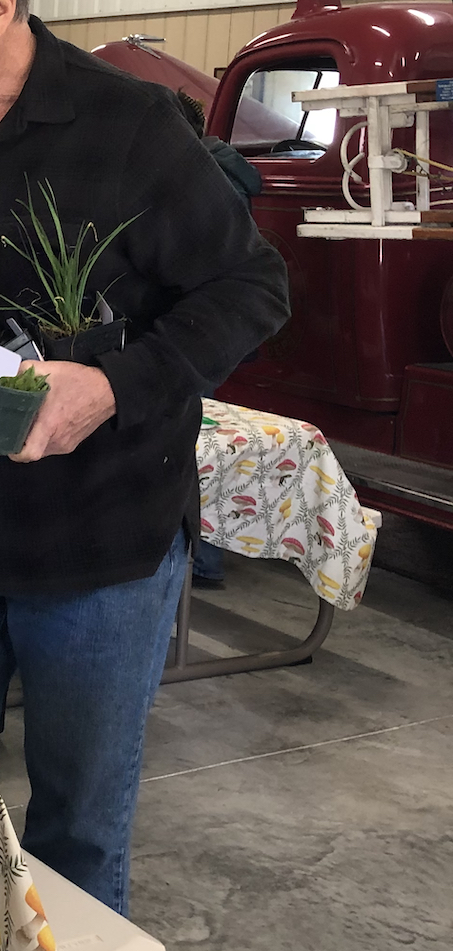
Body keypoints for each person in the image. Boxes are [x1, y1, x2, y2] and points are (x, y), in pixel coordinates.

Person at [0, 0, 288, 939]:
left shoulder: (129, 126)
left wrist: (113, 383)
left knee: (79, 824)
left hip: (94, 544)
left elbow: (251, 289)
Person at [173, 88, 263, 588]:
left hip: (194, 332)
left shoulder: (204, 178)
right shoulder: (224, 171)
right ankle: (202, 560)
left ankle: (202, 561)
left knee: (187, 440)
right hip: (205, 330)